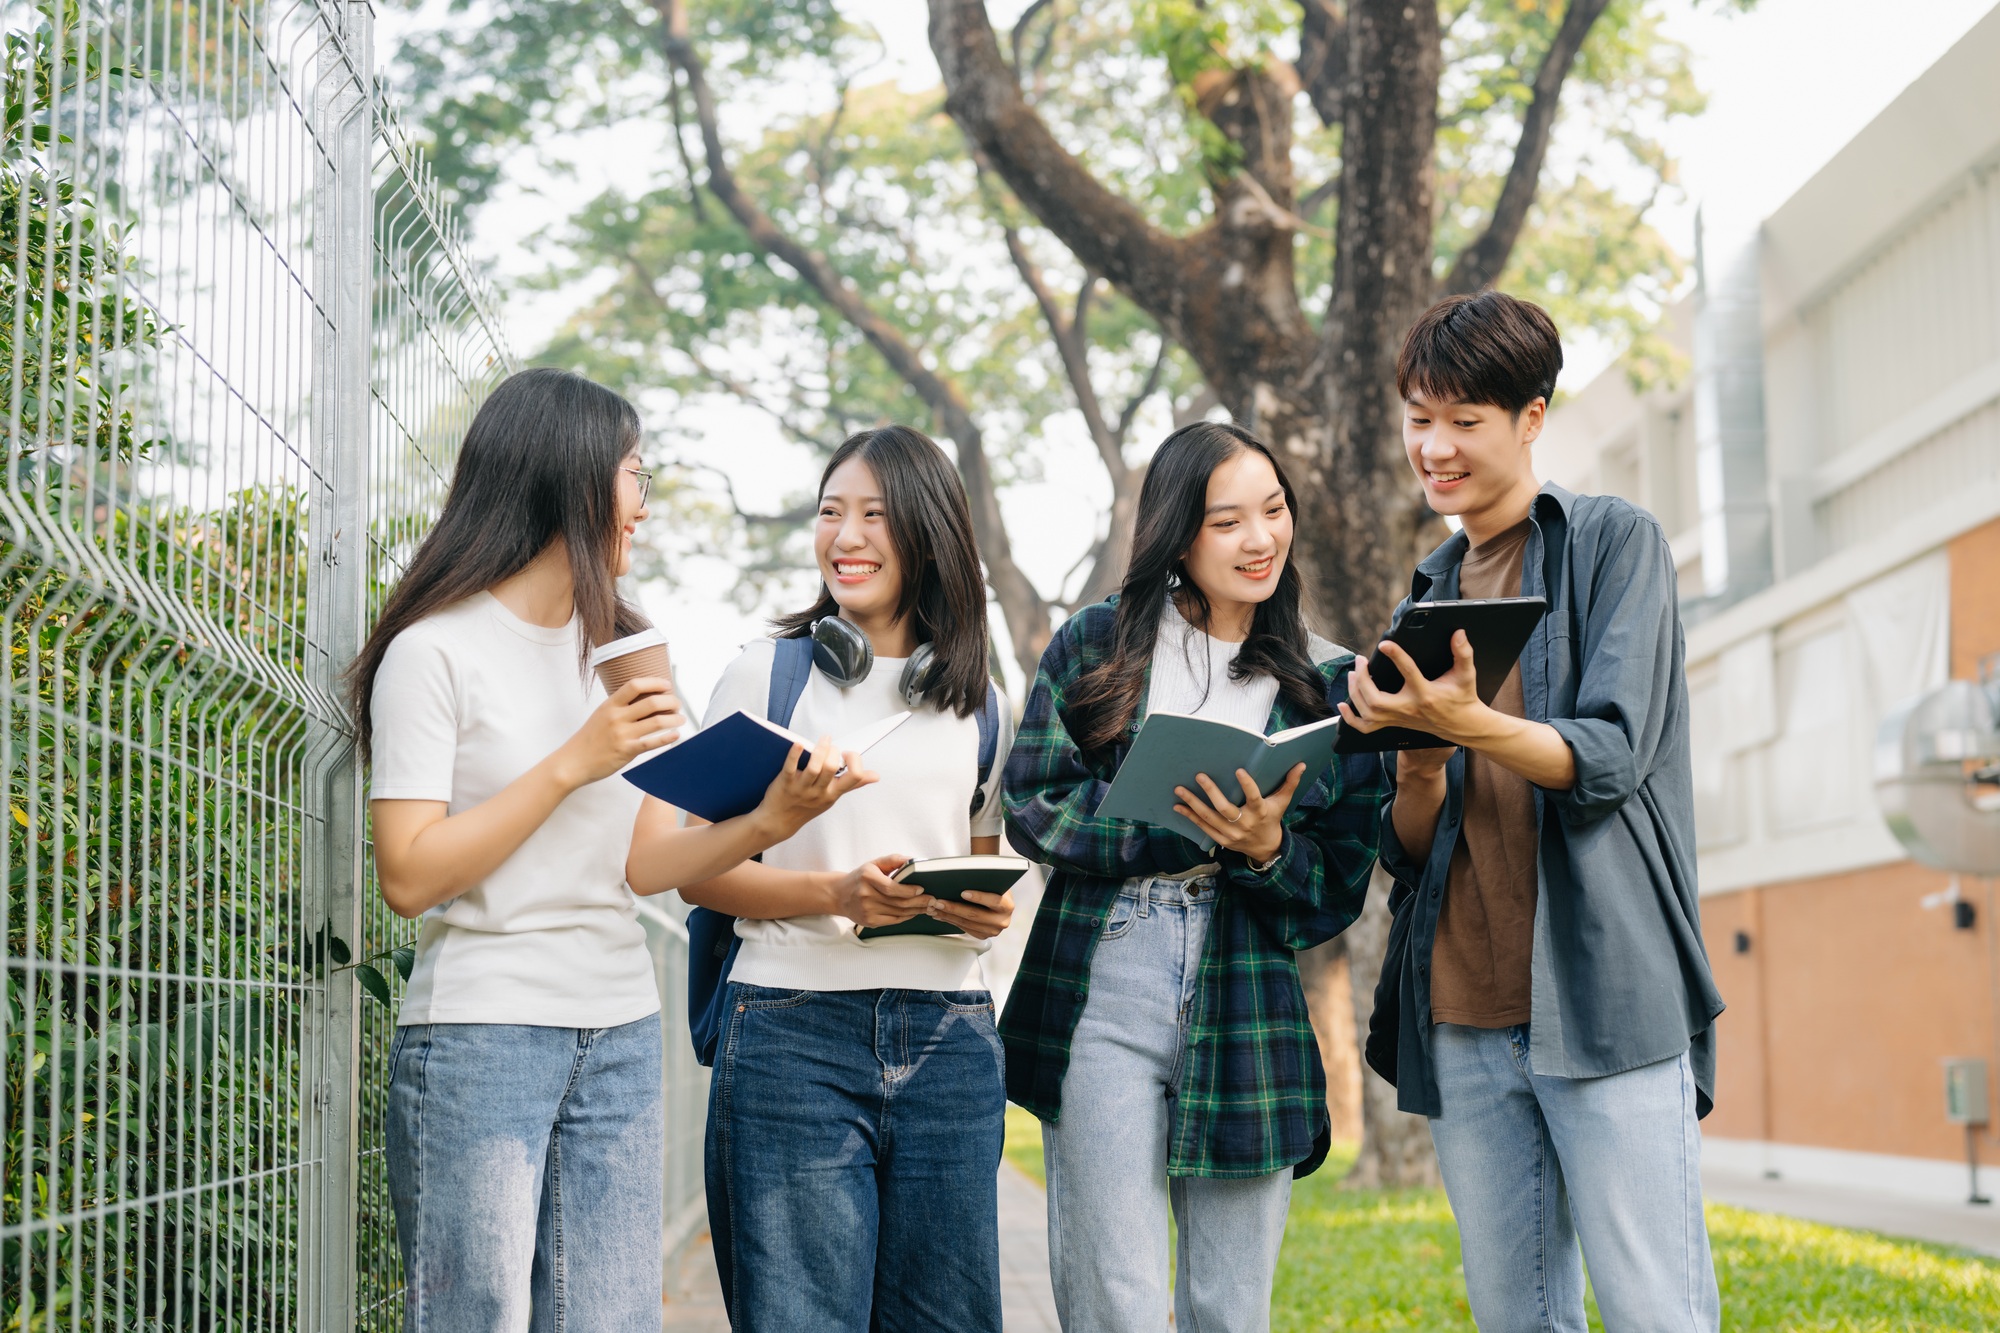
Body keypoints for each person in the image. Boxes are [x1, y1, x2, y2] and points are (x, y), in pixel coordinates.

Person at [351, 367, 870, 1331]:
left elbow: (642, 864)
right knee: (479, 1316)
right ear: (574, 480)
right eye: (637, 476)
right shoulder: (436, 651)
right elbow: (409, 873)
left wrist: (773, 819)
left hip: (622, 1028)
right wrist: (572, 761)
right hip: (483, 1031)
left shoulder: (628, 648)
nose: (645, 507)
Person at [1341, 291, 1725, 1332]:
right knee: (1520, 1317)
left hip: (1603, 997)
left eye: (1464, 419)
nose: (1435, 445)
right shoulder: (1421, 598)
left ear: (1531, 418)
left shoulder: (1612, 544)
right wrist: (1417, 762)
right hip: (1463, 1013)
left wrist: (1463, 722)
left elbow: (1607, 751)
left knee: (1656, 1308)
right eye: (1419, 417)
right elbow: (1408, 846)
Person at [1001, 420, 1388, 1332]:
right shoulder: (1097, 642)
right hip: (1105, 972)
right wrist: (1163, 833)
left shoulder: (1330, 682)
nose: (1261, 539)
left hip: (1244, 980)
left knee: (1229, 1305)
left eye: (1274, 510)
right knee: (1114, 1296)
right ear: (1178, 533)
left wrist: (1262, 849)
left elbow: (1335, 884)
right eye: (1228, 521)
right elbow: (1033, 803)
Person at [680, 424, 1017, 1332]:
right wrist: (838, 894)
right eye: (832, 512)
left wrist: (977, 909)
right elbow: (698, 871)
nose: (847, 536)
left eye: (874, 514)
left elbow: (982, 859)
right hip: (790, 1033)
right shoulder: (766, 676)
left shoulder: (984, 699)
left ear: (929, 530)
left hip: (952, 1036)